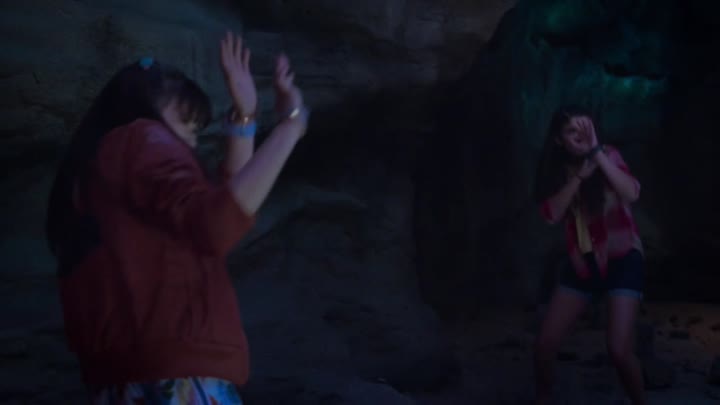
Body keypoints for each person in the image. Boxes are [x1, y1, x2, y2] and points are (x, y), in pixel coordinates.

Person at [45, 32, 308, 404]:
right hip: (177, 381)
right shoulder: (142, 137)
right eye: (188, 122)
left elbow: (225, 208)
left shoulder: (96, 170)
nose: (192, 142)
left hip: (129, 382)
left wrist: (245, 117)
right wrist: (291, 127)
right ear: (149, 103)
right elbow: (217, 223)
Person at [533, 106, 645, 405]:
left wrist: (596, 153)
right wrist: (580, 177)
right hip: (583, 261)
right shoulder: (558, 170)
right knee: (545, 344)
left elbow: (631, 193)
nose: (580, 136)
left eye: (585, 128)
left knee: (619, 350)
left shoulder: (608, 155)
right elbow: (551, 215)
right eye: (572, 131)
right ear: (559, 140)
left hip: (623, 257)